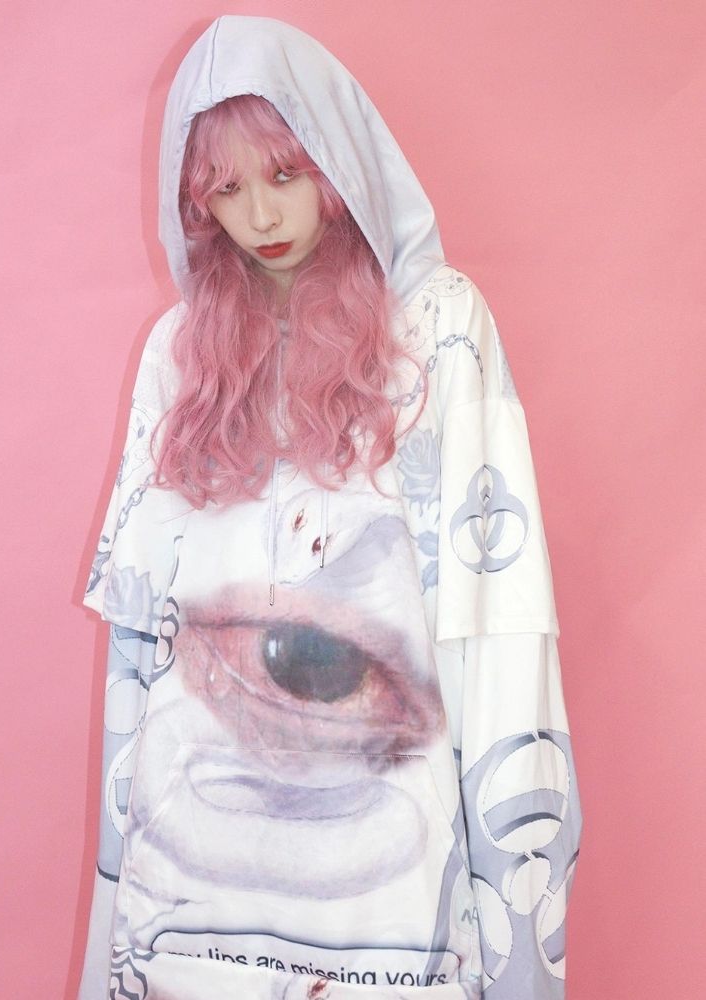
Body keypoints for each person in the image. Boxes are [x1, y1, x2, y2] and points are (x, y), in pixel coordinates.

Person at [77, 14, 582, 1000]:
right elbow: (141, 641)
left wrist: (518, 941)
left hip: (386, 907)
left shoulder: (437, 327)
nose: (260, 214)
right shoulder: (178, 355)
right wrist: (118, 915)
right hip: (193, 904)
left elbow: (499, 627)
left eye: (284, 171)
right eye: (225, 189)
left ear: (337, 157)